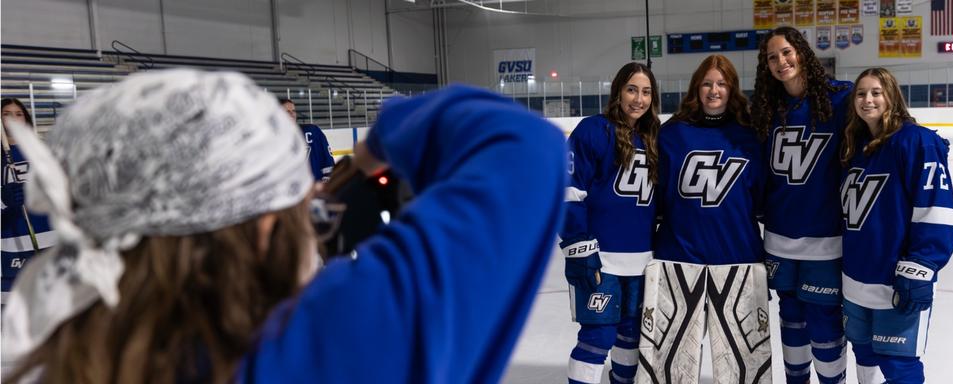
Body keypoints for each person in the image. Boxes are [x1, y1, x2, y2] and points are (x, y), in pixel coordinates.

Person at [1, 69, 566, 383]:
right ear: (264, 228)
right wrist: (377, 146)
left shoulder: (48, 359)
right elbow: (524, 145)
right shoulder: (317, 347)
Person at [750, 26, 876, 384]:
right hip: (778, 238)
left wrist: (916, 139)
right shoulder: (768, 108)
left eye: (786, 52)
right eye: (772, 57)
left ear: (803, 53)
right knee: (790, 318)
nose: (781, 61)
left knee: (823, 321)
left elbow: (878, 124)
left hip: (825, 240)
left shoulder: (840, 98)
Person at [636, 54, 770, 383]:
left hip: (739, 259)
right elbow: (658, 193)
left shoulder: (750, 136)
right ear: (696, 87)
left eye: (722, 84)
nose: (714, 90)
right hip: (678, 259)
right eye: (707, 83)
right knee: (669, 366)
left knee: (744, 366)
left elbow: (762, 195)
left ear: (732, 89)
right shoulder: (671, 134)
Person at [838, 67, 953, 384]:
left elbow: (937, 209)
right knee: (863, 354)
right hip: (855, 278)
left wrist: (923, 262)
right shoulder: (855, 146)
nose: (868, 99)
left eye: (876, 92)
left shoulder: (917, 142)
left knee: (898, 364)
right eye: (861, 93)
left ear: (892, 96)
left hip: (894, 279)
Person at [562, 62, 660, 384]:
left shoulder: (655, 138)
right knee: (597, 338)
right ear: (618, 91)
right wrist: (580, 248)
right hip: (602, 260)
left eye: (646, 92)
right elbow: (568, 190)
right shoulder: (593, 130)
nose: (638, 99)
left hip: (642, 262)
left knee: (632, 339)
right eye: (632, 89)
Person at [1, 98, 56, 308]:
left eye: (18, 114)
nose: (13, 118)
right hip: (10, 245)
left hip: (49, 238)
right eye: (6, 114)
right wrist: (3, 201)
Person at [280, 98, 336, 181]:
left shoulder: (312, 132)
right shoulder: (273, 141)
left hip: (316, 188)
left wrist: (326, 183)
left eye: (293, 111)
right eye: (287, 112)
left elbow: (327, 161)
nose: (292, 114)